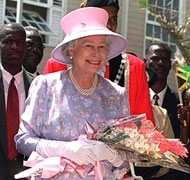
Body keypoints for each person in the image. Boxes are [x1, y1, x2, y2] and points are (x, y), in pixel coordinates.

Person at [15, 7, 130, 179]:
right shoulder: (46, 86)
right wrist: (65, 149)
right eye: (88, 46)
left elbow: (128, 158)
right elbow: (22, 140)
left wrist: (111, 154)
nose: (96, 54)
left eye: (102, 47)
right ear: (71, 50)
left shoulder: (117, 95)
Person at [43, 0, 155, 125]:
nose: (109, 26)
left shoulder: (134, 67)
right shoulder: (56, 67)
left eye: (113, 19)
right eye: (103, 20)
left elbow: (145, 127)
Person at [0, 23, 35, 179]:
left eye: (19, 43)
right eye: (8, 42)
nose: (14, 47)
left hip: (28, 170)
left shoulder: (38, 86)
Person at [145, 42, 180, 138]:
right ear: (145, 62)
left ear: (170, 64)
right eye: (155, 59)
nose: (160, 63)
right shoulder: (134, 97)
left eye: (165, 59)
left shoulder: (179, 103)